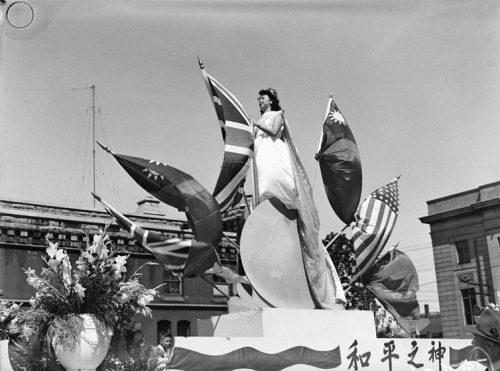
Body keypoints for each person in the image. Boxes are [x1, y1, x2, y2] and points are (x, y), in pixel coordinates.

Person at [253, 88, 296, 209]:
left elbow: (274, 131)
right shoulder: (261, 119)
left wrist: (257, 124)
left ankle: (282, 203)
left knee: (272, 177)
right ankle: (266, 206)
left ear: (271, 101)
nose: (260, 101)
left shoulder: (277, 114)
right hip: (259, 151)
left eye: (263, 98)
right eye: (259, 99)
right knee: (262, 181)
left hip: (271, 149)